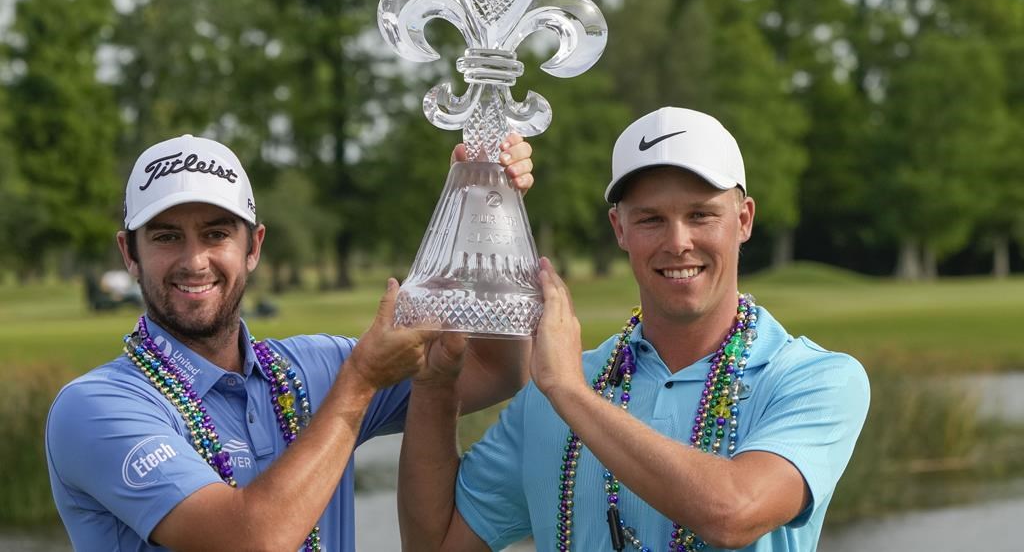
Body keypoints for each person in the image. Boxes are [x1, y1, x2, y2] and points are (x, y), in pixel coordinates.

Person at [398, 107, 871, 552]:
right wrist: (436, 385)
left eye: (701, 214)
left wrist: (571, 393)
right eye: (651, 219)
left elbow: (735, 512)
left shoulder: (815, 378)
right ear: (619, 229)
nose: (678, 242)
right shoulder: (552, 391)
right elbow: (435, 544)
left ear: (743, 219)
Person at [45, 131, 535, 551]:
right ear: (128, 253)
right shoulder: (95, 407)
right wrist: (361, 383)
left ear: (253, 246)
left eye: (216, 234)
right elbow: (251, 540)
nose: (194, 261)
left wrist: (486, 205)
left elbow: (497, 368)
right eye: (166, 237)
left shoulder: (315, 369)